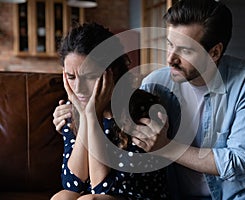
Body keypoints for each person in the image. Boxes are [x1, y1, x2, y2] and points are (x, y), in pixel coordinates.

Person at [132, 0, 245, 199]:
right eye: (170, 45)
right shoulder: (155, 84)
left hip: (243, 193)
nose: (170, 59)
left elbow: (239, 161)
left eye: (185, 51)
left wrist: (167, 147)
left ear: (214, 52)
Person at [51, 22, 168, 200]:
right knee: (63, 197)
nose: (79, 88)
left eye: (89, 76)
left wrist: (93, 115)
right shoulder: (70, 110)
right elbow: (72, 183)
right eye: (71, 77)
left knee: (90, 199)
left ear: (112, 72)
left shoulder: (143, 110)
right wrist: (84, 114)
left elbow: (103, 189)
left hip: (136, 196)